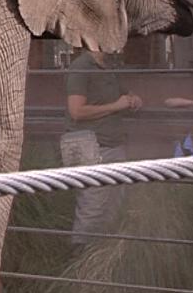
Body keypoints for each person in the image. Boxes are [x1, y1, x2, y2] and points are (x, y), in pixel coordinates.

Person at [60, 49, 142, 246]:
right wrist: (116, 106)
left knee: (114, 205)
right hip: (91, 145)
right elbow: (76, 111)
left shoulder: (109, 65)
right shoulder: (81, 67)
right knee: (92, 206)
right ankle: (80, 259)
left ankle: (102, 260)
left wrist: (132, 99)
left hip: (114, 143)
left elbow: (123, 95)